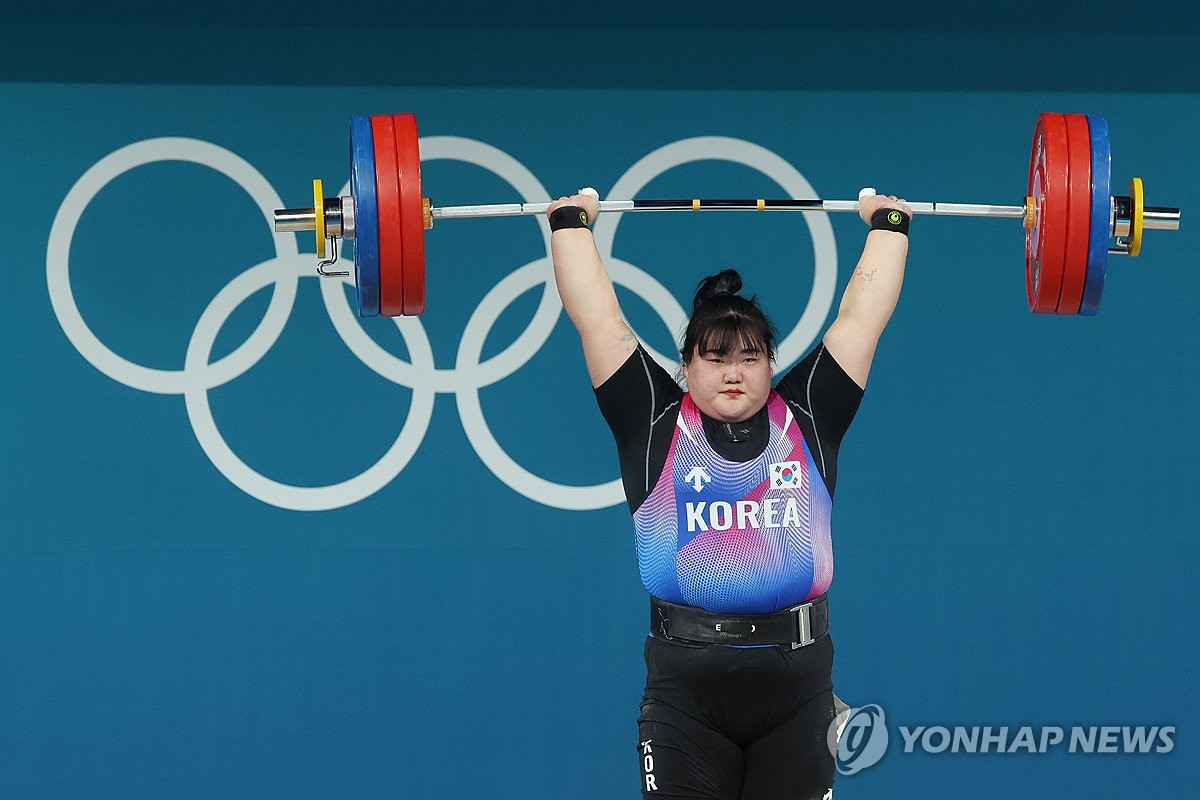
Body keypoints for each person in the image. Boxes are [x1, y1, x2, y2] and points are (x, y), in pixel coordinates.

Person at [546, 186, 911, 800]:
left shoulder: (810, 415)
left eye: (750, 356)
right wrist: (569, 224)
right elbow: (599, 319)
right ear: (686, 368)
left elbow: (861, 319)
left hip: (798, 690)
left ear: (772, 364)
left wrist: (890, 224)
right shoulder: (654, 421)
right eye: (715, 358)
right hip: (686, 692)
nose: (734, 371)